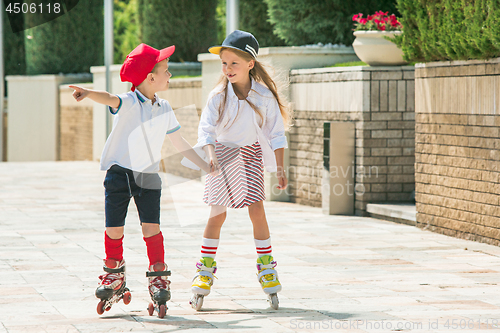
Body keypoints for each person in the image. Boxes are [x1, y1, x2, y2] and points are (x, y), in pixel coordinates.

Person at [69, 43, 210, 318]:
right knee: (114, 230)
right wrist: (87, 93)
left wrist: (205, 165)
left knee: (151, 229)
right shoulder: (131, 101)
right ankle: (114, 275)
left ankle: (158, 276)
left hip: (147, 176)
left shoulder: (165, 107)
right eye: (165, 71)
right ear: (150, 77)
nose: (170, 76)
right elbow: (110, 98)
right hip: (118, 174)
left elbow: (180, 143)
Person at [185, 30, 292, 310]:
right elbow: (205, 129)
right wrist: (210, 156)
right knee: (217, 214)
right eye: (224, 63)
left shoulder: (264, 96)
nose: (227, 69)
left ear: (250, 64)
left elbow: (276, 134)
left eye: (234, 62)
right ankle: (204, 270)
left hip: (251, 155)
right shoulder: (218, 96)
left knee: (257, 209)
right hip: (220, 156)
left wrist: (280, 168)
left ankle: (266, 265)